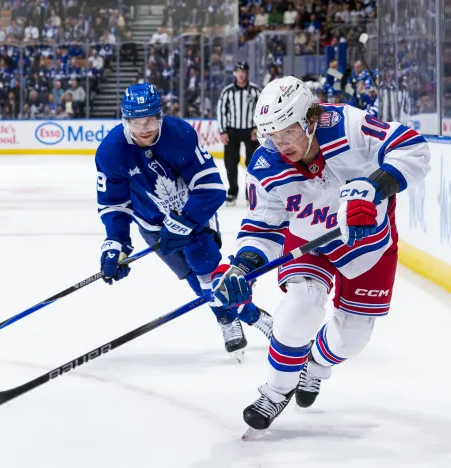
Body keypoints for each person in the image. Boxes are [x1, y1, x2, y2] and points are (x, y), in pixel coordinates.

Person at [211, 76, 431, 430]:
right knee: (300, 307)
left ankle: (314, 364)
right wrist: (242, 267)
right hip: (307, 241)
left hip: (366, 241)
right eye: (272, 135)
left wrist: (373, 187)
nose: (280, 145)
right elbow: (263, 225)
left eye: (287, 133)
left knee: (353, 339)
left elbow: (413, 148)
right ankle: (276, 390)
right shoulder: (266, 164)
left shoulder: (349, 125)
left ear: (310, 120)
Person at [96, 83, 273, 359]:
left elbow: (211, 188)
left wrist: (184, 221)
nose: (145, 128)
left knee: (206, 270)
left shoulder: (179, 135)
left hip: (194, 215)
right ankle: (239, 315)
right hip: (152, 224)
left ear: (161, 116)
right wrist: (116, 242)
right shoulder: (111, 152)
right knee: (193, 278)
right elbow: (114, 204)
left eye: (151, 120)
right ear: (124, 119)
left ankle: (240, 318)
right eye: (137, 121)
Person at [216, 62, 261, 206]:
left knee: (253, 163)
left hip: (251, 131)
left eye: (243, 71)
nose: (240, 74)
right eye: (238, 71)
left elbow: (261, 110)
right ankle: (232, 192)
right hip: (232, 131)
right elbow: (221, 111)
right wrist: (223, 131)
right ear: (235, 73)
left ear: (247, 72)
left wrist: (258, 128)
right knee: (230, 163)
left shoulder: (255, 91)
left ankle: (251, 193)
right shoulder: (227, 91)